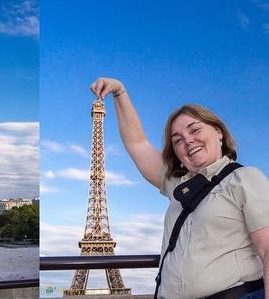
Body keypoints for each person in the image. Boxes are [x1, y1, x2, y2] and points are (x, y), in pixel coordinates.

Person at [90, 77, 269, 299]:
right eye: (177, 140)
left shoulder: (245, 178)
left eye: (195, 130)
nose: (188, 141)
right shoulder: (179, 185)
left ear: (219, 132)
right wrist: (120, 92)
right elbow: (137, 144)